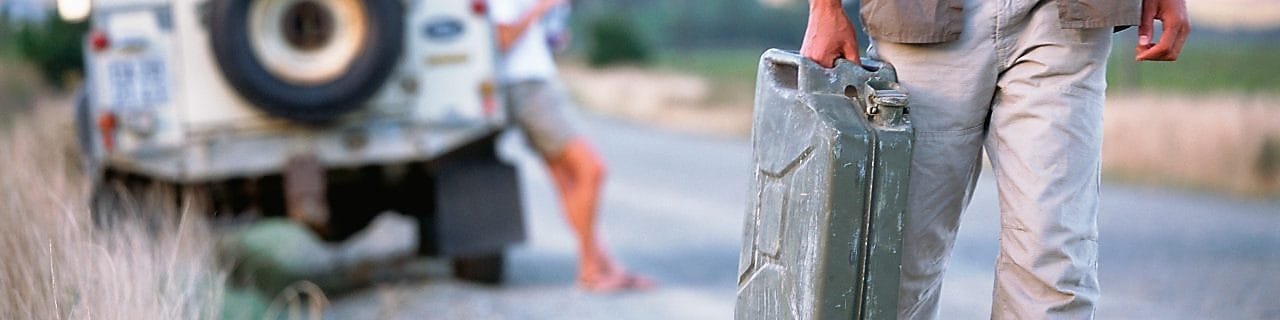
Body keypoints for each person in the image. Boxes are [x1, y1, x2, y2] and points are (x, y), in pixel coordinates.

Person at [802, 0, 1188, 318]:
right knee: (895, 265)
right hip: (919, 14)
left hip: (1065, 19)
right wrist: (824, 8)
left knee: (1054, 264)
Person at [490, 0, 653, 292]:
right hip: (527, 89)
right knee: (592, 170)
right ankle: (590, 270)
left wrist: (548, 35)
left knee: (568, 182)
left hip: (531, 86)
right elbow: (501, 39)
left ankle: (605, 267)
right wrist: (540, 9)